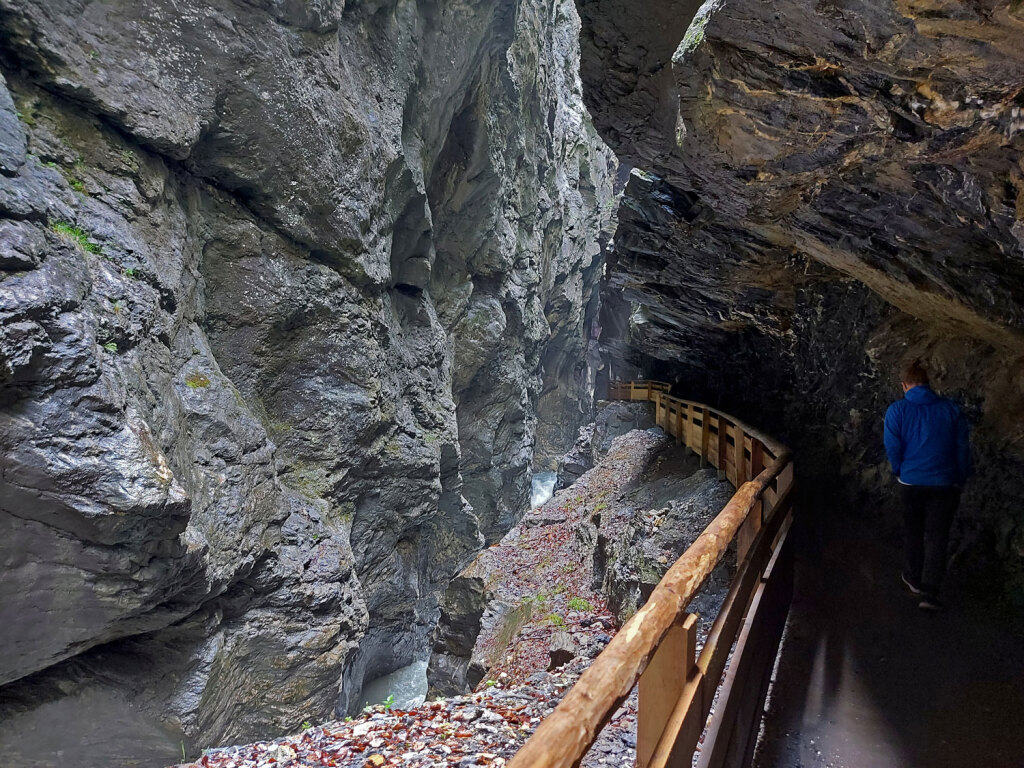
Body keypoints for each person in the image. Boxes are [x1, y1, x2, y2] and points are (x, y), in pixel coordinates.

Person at [884, 360, 972, 611]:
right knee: (937, 536)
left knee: (913, 532)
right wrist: (960, 475)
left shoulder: (897, 410)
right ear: (927, 384)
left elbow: (893, 447)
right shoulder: (951, 410)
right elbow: (962, 449)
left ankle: (913, 579)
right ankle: (930, 593)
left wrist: (900, 470)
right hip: (945, 483)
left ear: (905, 385)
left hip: (911, 483)